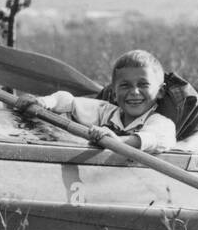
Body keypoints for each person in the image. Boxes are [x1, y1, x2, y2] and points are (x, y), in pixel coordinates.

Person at [13, 50, 185, 154]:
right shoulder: (106, 111)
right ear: (114, 93)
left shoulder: (161, 123)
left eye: (143, 84)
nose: (134, 92)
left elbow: (154, 139)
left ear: (160, 92)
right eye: (125, 86)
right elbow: (68, 101)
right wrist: (42, 102)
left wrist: (118, 141)